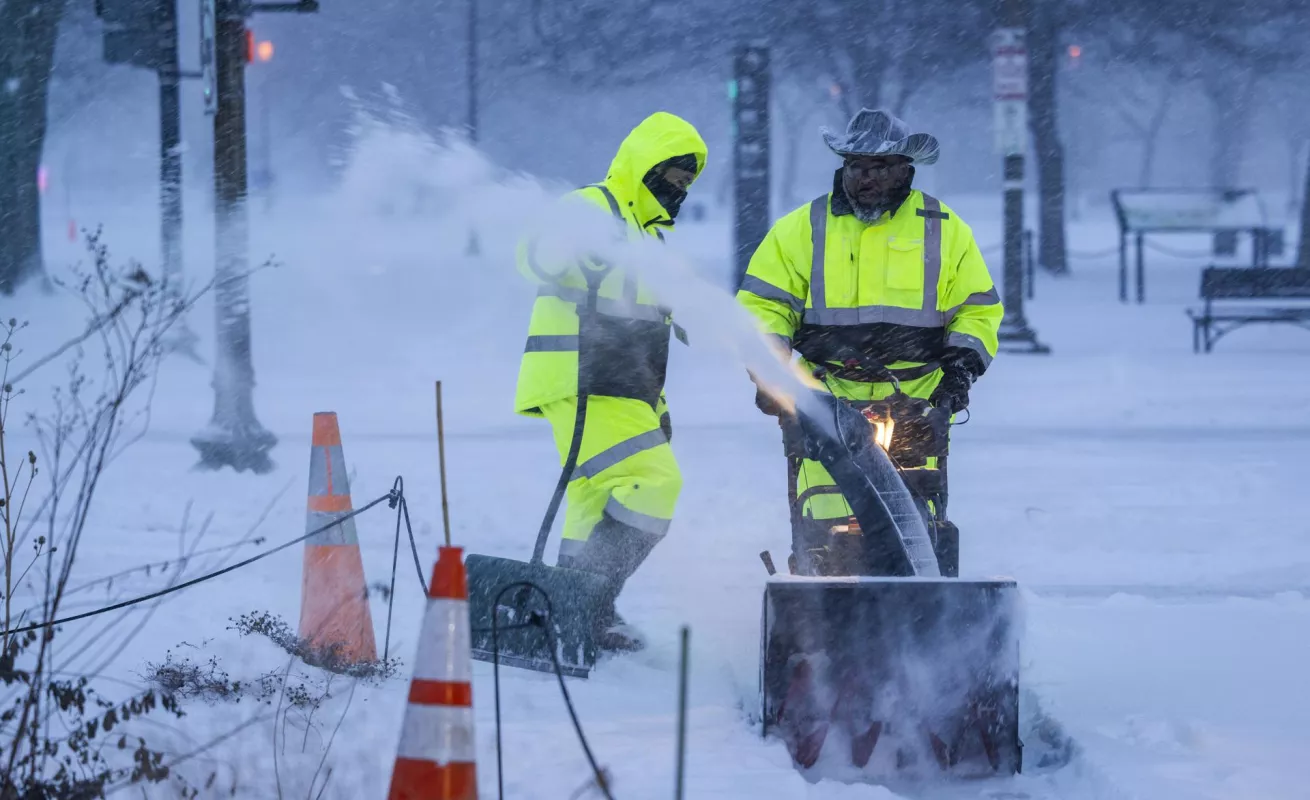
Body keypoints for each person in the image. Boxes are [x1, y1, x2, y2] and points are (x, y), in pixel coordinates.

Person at [735, 108, 1001, 575]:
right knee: (824, 517)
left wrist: (959, 373)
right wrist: (770, 372)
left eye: (880, 168)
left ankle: (918, 606)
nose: (866, 179)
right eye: (857, 167)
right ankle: (822, 607)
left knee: (916, 520)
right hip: (826, 404)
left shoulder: (943, 228)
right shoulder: (804, 228)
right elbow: (763, 307)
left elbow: (976, 309)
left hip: (916, 403)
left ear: (906, 171)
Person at [514, 111, 707, 652]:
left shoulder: (650, 241)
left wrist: (657, 406)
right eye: (674, 175)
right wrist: (580, 249)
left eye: (688, 181)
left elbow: (650, 333)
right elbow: (533, 256)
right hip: (582, 377)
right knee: (655, 483)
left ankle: (571, 613)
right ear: (647, 165)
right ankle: (586, 605)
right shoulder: (591, 208)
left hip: (623, 388)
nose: (680, 189)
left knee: (592, 501)